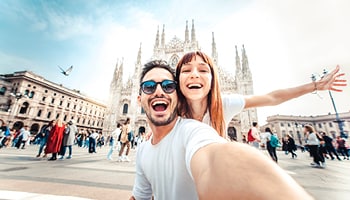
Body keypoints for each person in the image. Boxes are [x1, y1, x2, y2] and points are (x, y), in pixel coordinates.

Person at [130, 60, 313, 200]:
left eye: (168, 85)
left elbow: (214, 157)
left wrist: (314, 86)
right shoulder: (144, 150)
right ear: (139, 98)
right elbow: (140, 196)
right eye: (149, 86)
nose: (159, 91)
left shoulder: (197, 127)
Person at [175, 51, 347, 138]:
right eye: (186, 70)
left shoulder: (224, 104)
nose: (194, 74)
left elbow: (273, 97)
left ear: (214, 79)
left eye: (203, 70)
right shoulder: (170, 112)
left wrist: (315, 85)